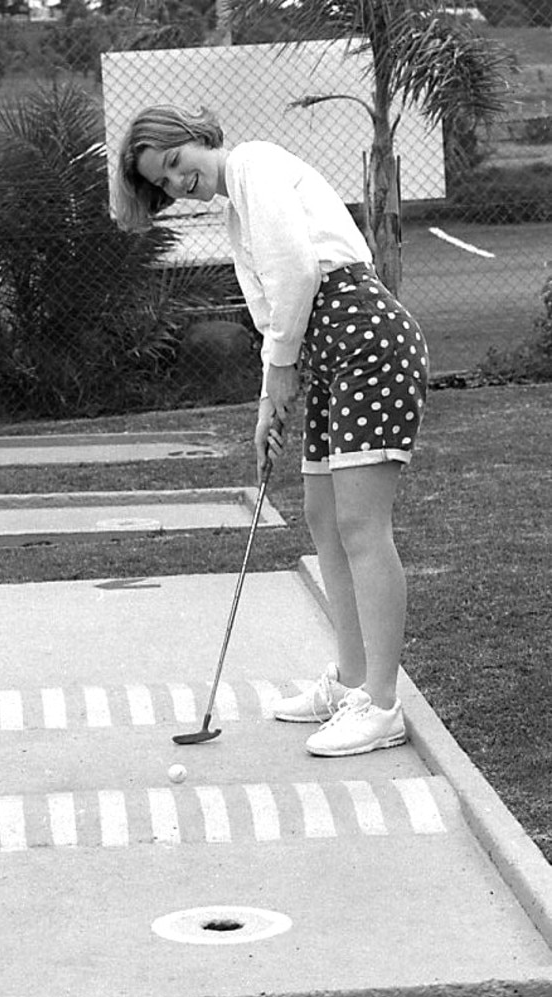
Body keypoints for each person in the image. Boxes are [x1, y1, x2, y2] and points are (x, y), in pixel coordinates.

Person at [116, 104, 429, 757]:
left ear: (199, 138)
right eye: (164, 184)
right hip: (326, 354)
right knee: (321, 515)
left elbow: (298, 274)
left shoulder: (254, 164)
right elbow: (276, 314)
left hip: (366, 340)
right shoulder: (235, 205)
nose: (179, 183)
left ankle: (381, 703)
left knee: (361, 528)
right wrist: (269, 401)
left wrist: (282, 374)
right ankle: (348, 682)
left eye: (178, 163)